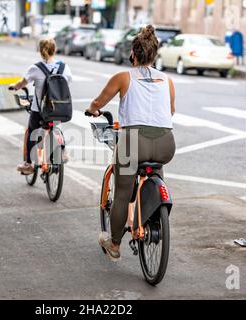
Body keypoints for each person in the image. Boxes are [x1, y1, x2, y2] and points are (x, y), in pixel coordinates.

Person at [85, 25, 176, 261]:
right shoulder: (167, 80)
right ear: (154, 55)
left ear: (133, 54)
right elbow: (171, 111)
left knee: (123, 193)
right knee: (155, 168)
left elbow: (98, 101)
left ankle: (114, 244)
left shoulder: (123, 77)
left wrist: (92, 110)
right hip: (166, 143)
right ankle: (154, 217)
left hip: (133, 142)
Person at [9, 39, 72, 175]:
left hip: (40, 111)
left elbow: (22, 83)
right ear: (54, 50)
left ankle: (28, 164)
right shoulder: (64, 67)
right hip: (58, 108)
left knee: (31, 131)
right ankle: (62, 150)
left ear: (40, 50)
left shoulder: (35, 68)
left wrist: (15, 87)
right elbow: (68, 82)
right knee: (56, 127)